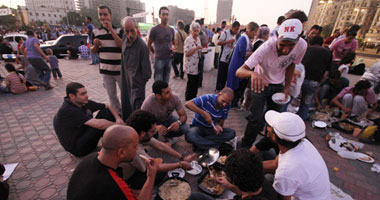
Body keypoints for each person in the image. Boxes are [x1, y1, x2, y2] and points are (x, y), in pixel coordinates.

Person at [236, 19, 307, 148]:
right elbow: (240, 71)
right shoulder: (266, 47)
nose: (286, 50)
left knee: (275, 121)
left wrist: (286, 86)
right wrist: (253, 73)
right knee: (256, 119)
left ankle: (266, 147)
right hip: (260, 85)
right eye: (282, 45)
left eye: (291, 46)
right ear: (278, 38)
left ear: (298, 40)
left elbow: (292, 64)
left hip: (278, 86)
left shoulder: (302, 45)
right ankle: (245, 147)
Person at [67, 125, 158, 200]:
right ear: (121, 152)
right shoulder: (113, 185)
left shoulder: (91, 158)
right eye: (135, 146)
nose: (137, 148)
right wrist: (151, 176)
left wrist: (131, 192)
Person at [263, 111, 331, 199]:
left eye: (269, 127)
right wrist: (250, 166)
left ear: (273, 136)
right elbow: (274, 164)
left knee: (266, 181)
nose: (267, 127)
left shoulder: (286, 170)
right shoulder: (302, 142)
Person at [121, 110, 195, 189]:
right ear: (143, 133)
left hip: (131, 164)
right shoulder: (134, 149)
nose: (155, 133)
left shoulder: (135, 132)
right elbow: (156, 167)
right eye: (153, 131)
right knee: (159, 173)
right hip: (126, 179)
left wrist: (182, 158)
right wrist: (180, 165)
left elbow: (160, 145)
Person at [53, 82, 125, 157]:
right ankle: (120, 138)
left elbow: (107, 106)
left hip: (83, 134)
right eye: (82, 94)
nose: (87, 96)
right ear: (72, 96)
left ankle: (116, 138)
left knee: (106, 111)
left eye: (86, 93)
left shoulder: (82, 102)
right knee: (100, 124)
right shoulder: (68, 110)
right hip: (78, 148)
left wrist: (118, 119)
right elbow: (99, 124)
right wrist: (119, 126)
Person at [188, 149, 278, 200]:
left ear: (235, 181)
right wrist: (230, 186)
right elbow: (247, 192)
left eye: (227, 175)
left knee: (194, 196)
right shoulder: (262, 182)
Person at [91, 5, 123, 112]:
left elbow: (122, 46)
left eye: (105, 14)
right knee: (111, 95)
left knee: (125, 94)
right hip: (106, 71)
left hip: (120, 70)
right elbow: (94, 51)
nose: (102, 17)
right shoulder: (95, 32)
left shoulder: (119, 30)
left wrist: (111, 30)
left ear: (110, 16)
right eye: (100, 14)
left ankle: (127, 112)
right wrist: (95, 45)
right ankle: (118, 114)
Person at [120, 17, 152, 120]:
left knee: (137, 109)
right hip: (126, 80)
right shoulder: (124, 38)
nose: (130, 34)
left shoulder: (142, 46)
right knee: (126, 104)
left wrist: (139, 83)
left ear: (136, 28)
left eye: (132, 31)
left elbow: (147, 72)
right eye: (127, 31)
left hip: (137, 84)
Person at [296, 36, 332, 120]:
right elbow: (327, 71)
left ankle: (283, 118)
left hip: (300, 79)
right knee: (306, 102)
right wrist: (320, 80)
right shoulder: (328, 52)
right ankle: (300, 120)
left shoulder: (306, 49)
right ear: (322, 43)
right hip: (314, 81)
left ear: (310, 43)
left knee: (290, 99)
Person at [227, 22, 259, 108]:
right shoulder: (243, 39)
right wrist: (255, 53)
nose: (255, 34)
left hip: (238, 65)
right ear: (249, 30)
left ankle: (234, 103)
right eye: (254, 32)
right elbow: (243, 53)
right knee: (234, 87)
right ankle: (231, 103)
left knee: (237, 86)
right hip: (236, 65)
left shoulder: (246, 39)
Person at [148, 6, 175, 83]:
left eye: (167, 14)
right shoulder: (154, 30)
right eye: (163, 14)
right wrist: (155, 53)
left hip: (169, 59)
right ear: (159, 15)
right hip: (159, 59)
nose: (165, 16)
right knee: (158, 83)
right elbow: (149, 44)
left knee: (166, 82)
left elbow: (173, 43)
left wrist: (173, 48)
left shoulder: (171, 30)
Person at [216, 21, 240, 92]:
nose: (236, 31)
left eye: (237, 29)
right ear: (232, 27)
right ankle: (218, 88)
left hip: (231, 59)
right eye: (235, 29)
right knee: (221, 75)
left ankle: (224, 89)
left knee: (227, 74)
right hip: (223, 57)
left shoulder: (237, 35)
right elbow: (218, 42)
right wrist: (229, 41)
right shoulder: (225, 33)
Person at [184, 22, 203, 101]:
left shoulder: (198, 39)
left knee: (196, 82)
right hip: (190, 65)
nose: (196, 33)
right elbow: (187, 53)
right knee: (191, 82)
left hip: (197, 64)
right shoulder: (189, 39)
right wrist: (196, 48)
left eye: (197, 31)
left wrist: (201, 50)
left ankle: (194, 97)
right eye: (194, 31)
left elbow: (199, 49)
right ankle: (189, 98)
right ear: (191, 31)